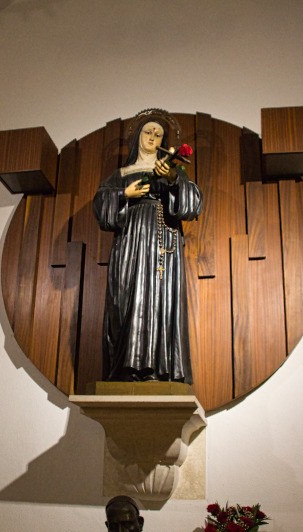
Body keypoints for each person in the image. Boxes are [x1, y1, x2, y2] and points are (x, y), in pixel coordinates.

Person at [93, 110, 202, 383]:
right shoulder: (120, 174)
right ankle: (125, 370)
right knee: (125, 298)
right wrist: (124, 194)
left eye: (158, 134)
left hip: (162, 243)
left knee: (160, 297)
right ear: (138, 136)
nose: (152, 137)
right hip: (129, 243)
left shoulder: (172, 170)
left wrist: (174, 179)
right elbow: (102, 206)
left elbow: (192, 205)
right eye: (148, 132)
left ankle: (160, 370)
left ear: (164, 141)